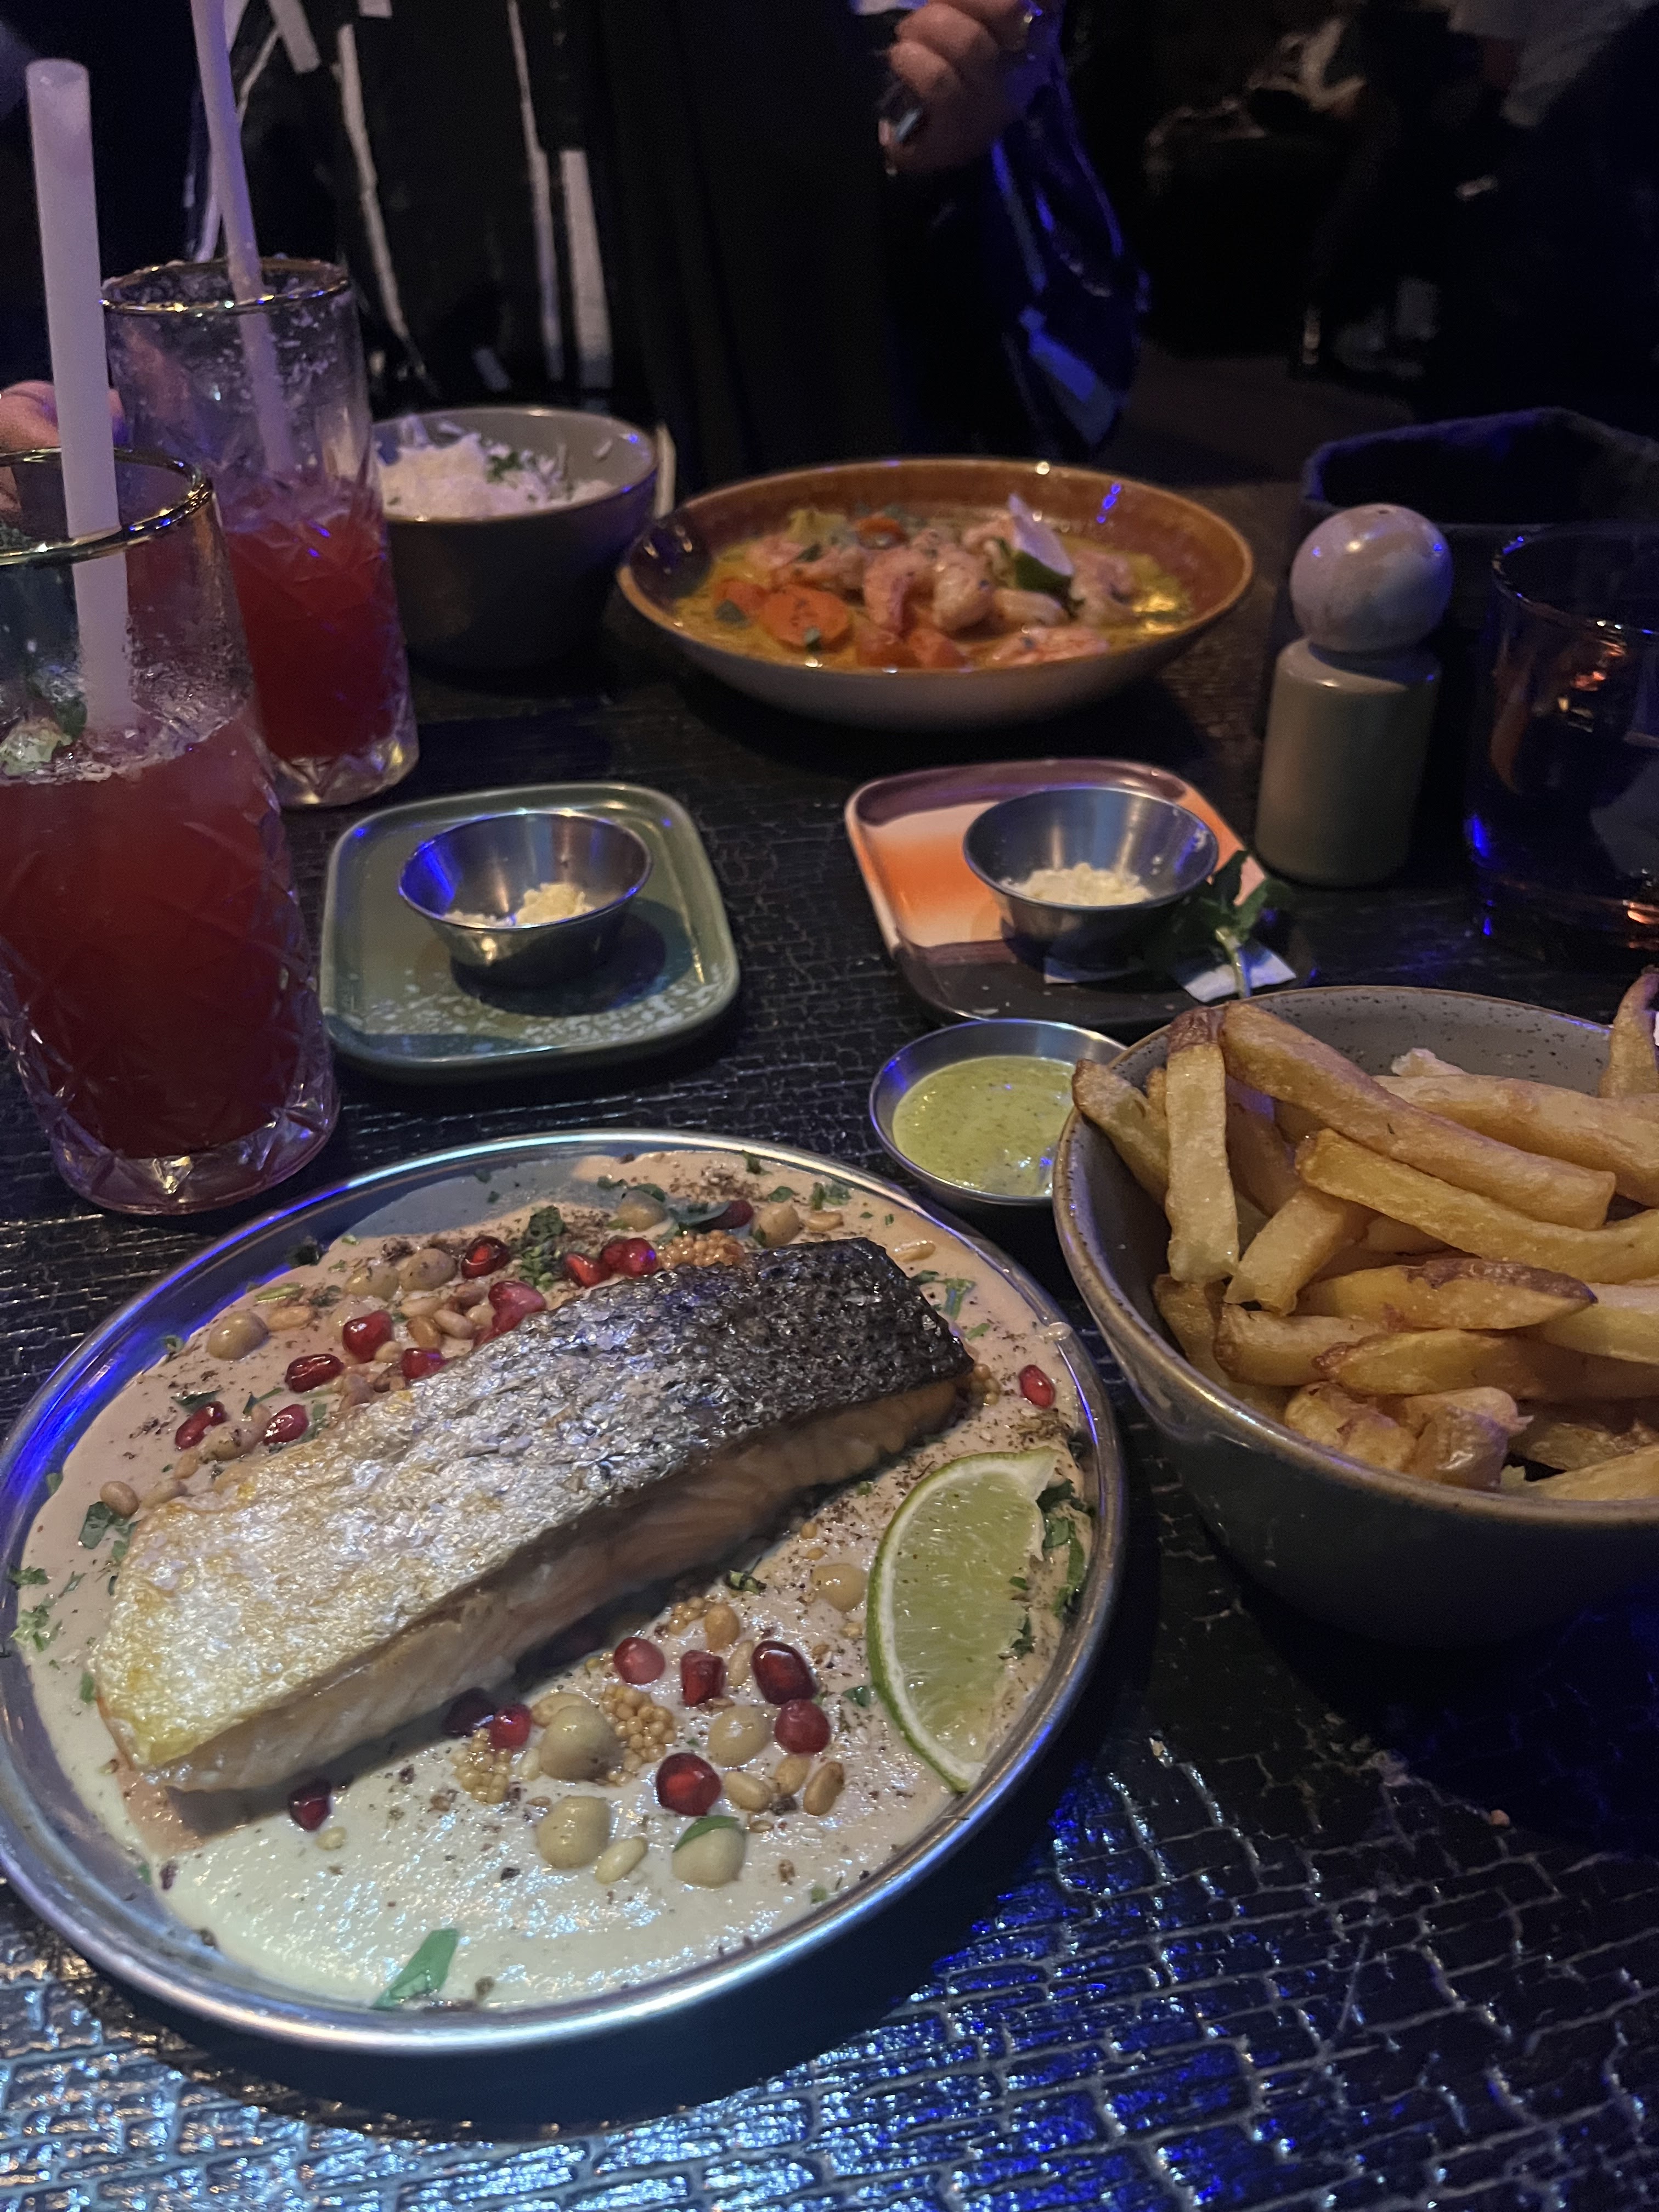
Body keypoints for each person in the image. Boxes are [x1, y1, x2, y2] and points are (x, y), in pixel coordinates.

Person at [200, 0, 1125, 487]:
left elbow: (1074, 402)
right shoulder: (313, 15)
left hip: (874, 622)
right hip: (469, 643)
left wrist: (975, 167)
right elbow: (225, 400)